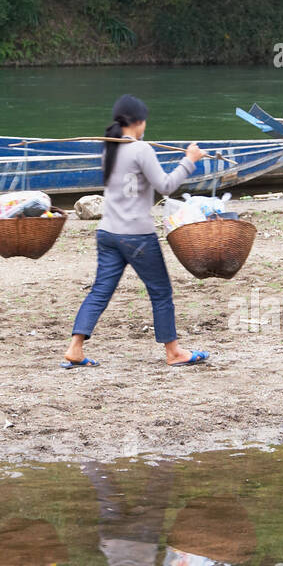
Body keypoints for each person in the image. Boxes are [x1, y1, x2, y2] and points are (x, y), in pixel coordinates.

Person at [62, 94, 210, 368]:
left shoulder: (111, 149)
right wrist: (189, 160)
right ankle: (174, 351)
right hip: (136, 236)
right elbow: (165, 186)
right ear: (138, 122)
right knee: (161, 291)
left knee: (100, 290)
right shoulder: (141, 150)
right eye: (145, 121)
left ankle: (75, 348)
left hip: (107, 233)